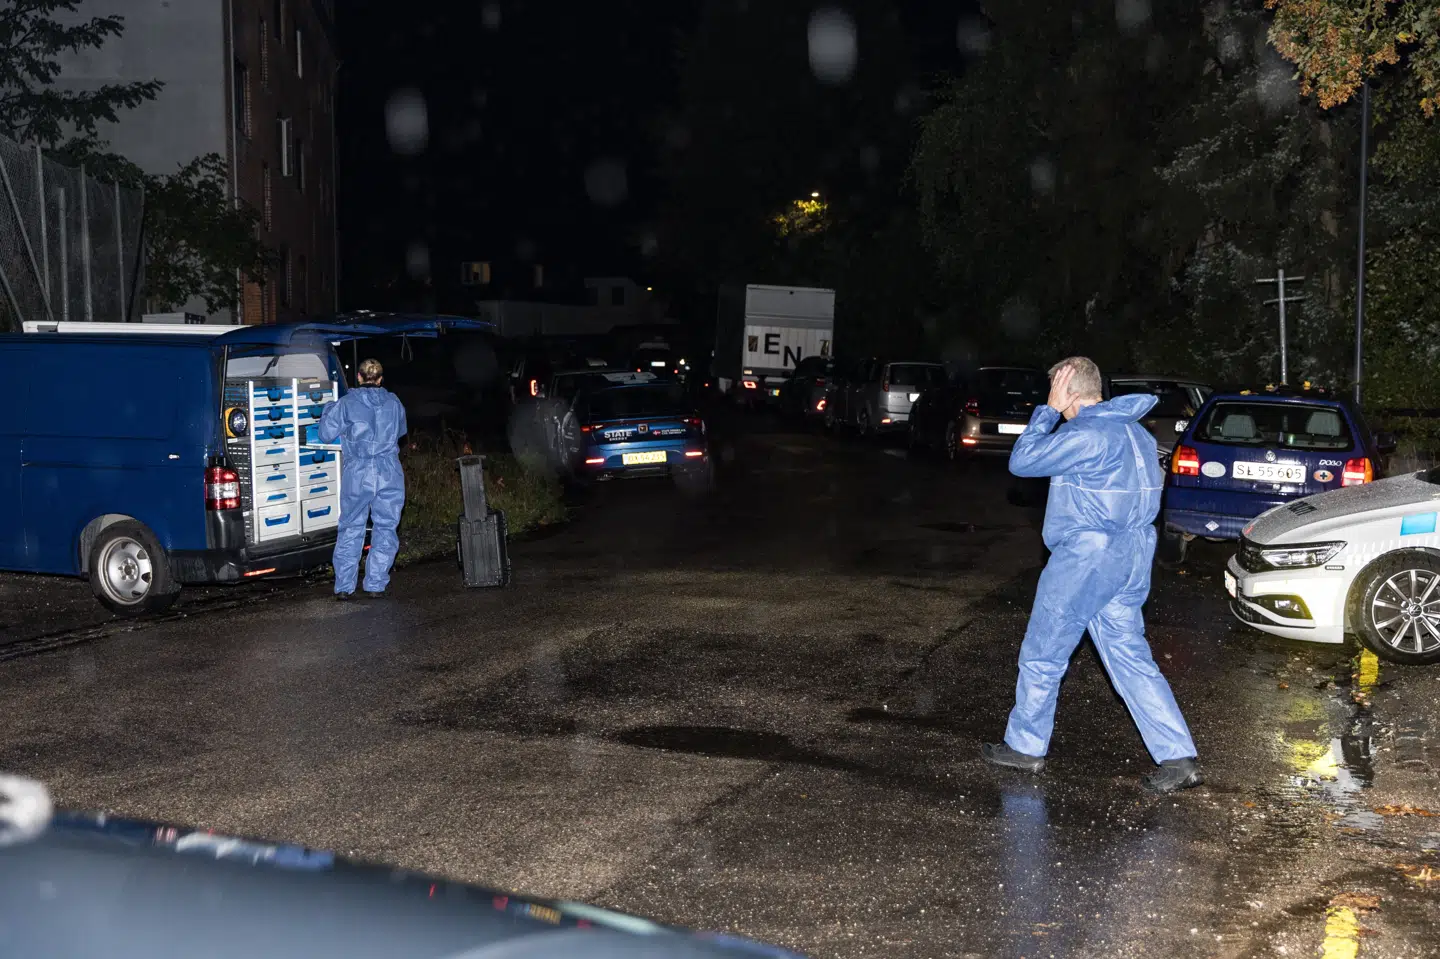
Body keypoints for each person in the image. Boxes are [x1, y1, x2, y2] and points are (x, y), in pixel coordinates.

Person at [982, 357, 1202, 794]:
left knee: (1043, 653)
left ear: (1068, 391)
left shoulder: (1086, 433)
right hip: (1134, 555)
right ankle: (1178, 758)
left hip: (1088, 557)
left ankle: (1025, 747)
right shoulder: (1136, 432)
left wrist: (1046, 411)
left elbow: (1023, 461)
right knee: (1130, 657)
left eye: (1056, 392)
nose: (1055, 402)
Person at [319, 358, 408, 600]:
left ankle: (345, 587)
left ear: (358, 377)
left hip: (358, 472)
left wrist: (328, 409)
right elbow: (400, 432)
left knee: (351, 527)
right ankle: (376, 584)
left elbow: (326, 434)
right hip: (389, 471)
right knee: (386, 527)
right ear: (380, 379)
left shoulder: (346, 403)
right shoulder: (394, 402)